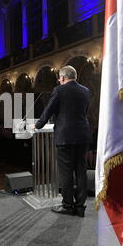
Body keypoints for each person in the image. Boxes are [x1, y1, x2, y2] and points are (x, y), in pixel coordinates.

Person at [30, 66, 92, 217]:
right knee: (81, 171)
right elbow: (84, 112)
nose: (59, 80)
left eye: (59, 78)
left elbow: (48, 111)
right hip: (82, 135)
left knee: (66, 173)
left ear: (63, 78)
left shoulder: (59, 90)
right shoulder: (86, 91)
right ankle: (80, 207)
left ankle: (67, 205)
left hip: (65, 136)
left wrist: (37, 125)